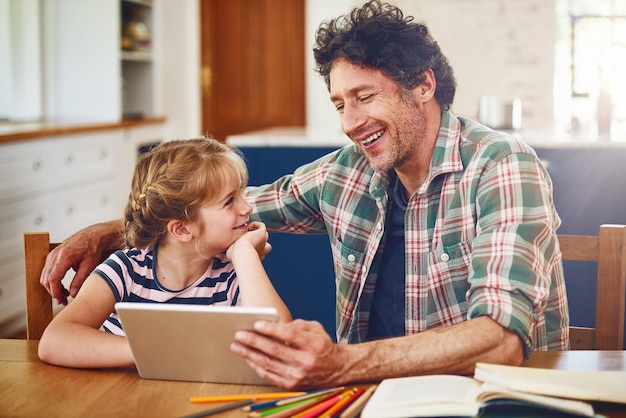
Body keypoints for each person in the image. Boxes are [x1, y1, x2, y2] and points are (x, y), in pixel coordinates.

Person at [40, 0, 568, 388]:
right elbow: (221, 212)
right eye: (340, 104)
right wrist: (113, 230)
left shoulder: (500, 165)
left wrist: (342, 364)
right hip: (368, 397)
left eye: (365, 97)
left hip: (483, 394)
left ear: (423, 86)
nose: (350, 123)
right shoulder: (349, 171)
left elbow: (502, 338)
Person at [37, 138, 291, 368]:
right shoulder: (126, 270)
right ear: (181, 229)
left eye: (242, 195)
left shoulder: (231, 276)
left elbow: (281, 343)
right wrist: (154, 352)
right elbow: (54, 341)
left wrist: (245, 253)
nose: (247, 207)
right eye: (229, 201)